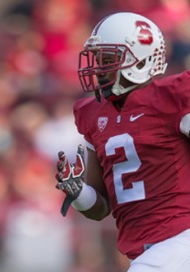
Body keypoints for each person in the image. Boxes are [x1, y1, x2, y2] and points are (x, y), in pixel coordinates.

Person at [55, 12, 190, 272]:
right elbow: (101, 208)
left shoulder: (173, 97)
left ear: (138, 60)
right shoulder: (93, 115)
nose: (97, 68)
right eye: (97, 59)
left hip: (180, 238)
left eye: (107, 60)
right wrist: (78, 192)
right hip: (148, 250)